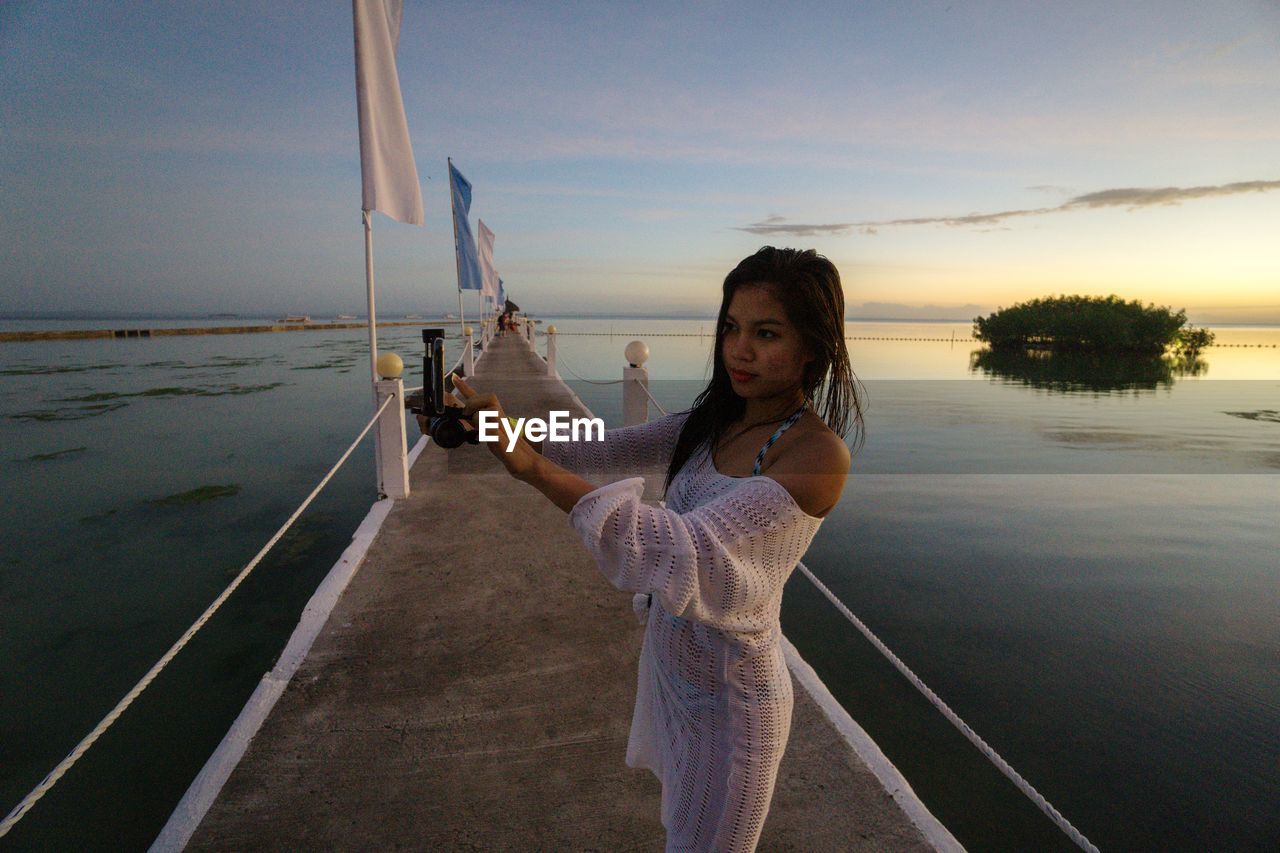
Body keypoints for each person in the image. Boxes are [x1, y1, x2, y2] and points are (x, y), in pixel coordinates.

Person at [427, 246, 863, 851]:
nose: (740, 349)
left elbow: (685, 549)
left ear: (814, 347)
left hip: (734, 704)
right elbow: (599, 446)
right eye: (731, 328)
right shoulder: (717, 421)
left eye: (766, 333)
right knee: (678, 832)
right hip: (675, 678)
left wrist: (527, 466)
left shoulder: (815, 456)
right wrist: (496, 424)